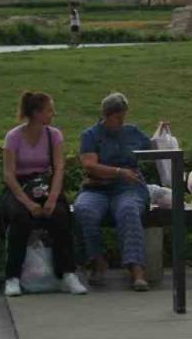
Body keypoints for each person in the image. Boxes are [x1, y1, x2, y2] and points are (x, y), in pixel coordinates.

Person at [0, 91, 86, 296]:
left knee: (60, 215)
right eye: (49, 110)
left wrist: (53, 199)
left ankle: (67, 273)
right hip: (20, 186)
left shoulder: (53, 135)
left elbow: (59, 168)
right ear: (36, 113)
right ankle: (13, 277)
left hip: (45, 183)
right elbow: (8, 174)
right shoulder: (13, 137)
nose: (52, 114)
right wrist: (29, 204)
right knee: (20, 217)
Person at [73, 92, 158, 291]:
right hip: (97, 187)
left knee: (128, 209)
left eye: (123, 117)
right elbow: (89, 165)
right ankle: (96, 261)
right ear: (106, 115)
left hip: (128, 188)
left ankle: (136, 269)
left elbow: (152, 149)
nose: (121, 122)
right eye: (117, 118)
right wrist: (118, 172)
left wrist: (161, 134)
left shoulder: (132, 132)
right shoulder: (90, 135)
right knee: (84, 209)